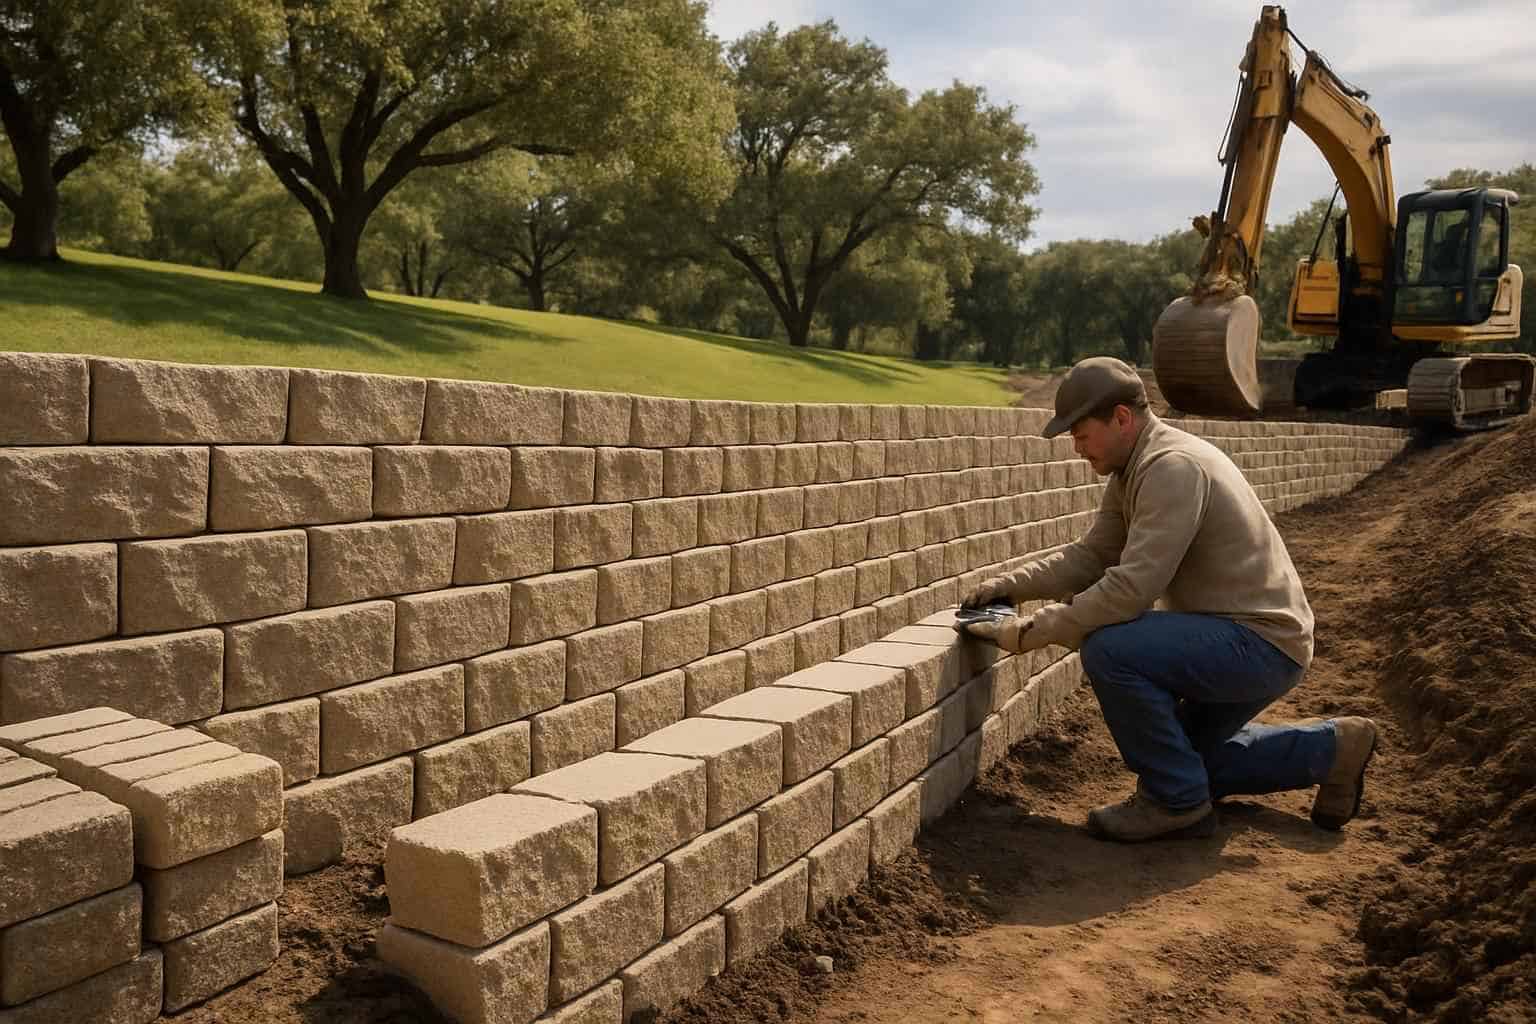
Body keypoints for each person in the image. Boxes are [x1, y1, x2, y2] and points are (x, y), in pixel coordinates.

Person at [957, 356, 1378, 842]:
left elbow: (1130, 590)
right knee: (1187, 759)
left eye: (1081, 434)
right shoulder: (1133, 468)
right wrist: (1013, 586)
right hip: (1247, 639)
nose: (1077, 448)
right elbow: (1094, 556)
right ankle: (1334, 749)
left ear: (1121, 418)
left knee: (1110, 649)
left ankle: (1175, 802)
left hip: (1259, 644)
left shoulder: (1171, 468)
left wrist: (1031, 631)